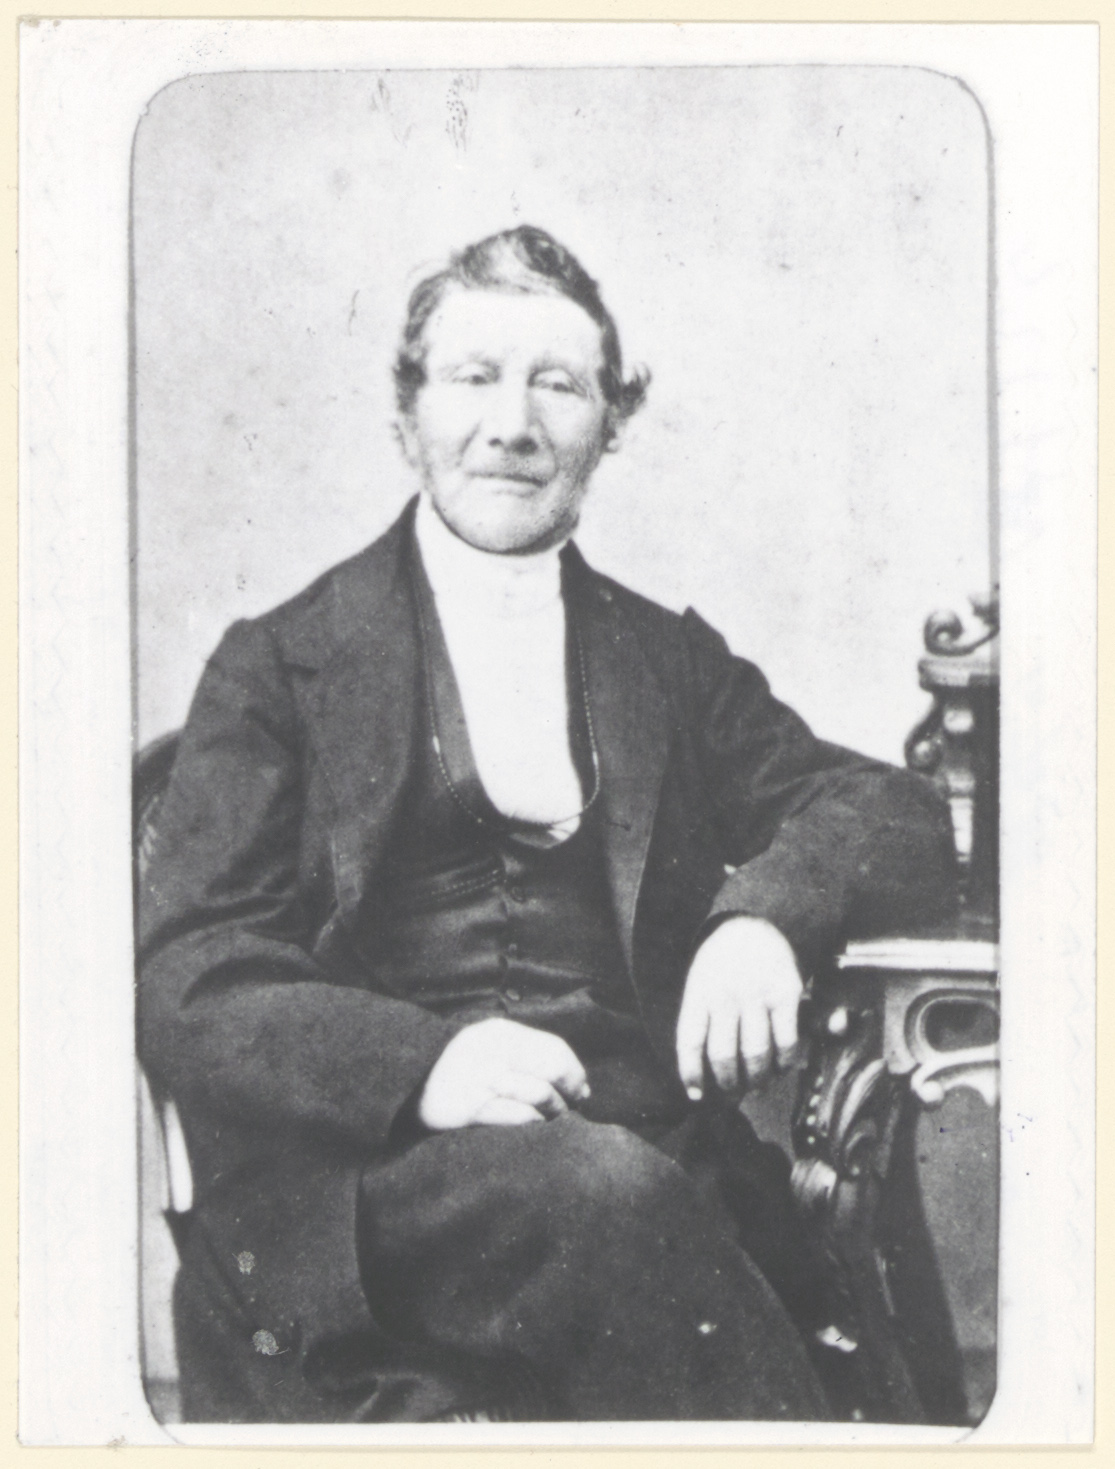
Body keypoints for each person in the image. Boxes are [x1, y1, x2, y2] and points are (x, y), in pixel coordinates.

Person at [137, 225, 957, 1424]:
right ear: (406, 415)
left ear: (610, 423)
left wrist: (765, 916)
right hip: (378, 1193)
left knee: (725, 1238)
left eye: (558, 385)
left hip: (646, 1165)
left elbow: (894, 811)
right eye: (472, 377)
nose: (511, 424)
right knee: (615, 1200)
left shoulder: (664, 662)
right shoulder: (279, 666)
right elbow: (190, 974)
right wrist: (424, 1063)